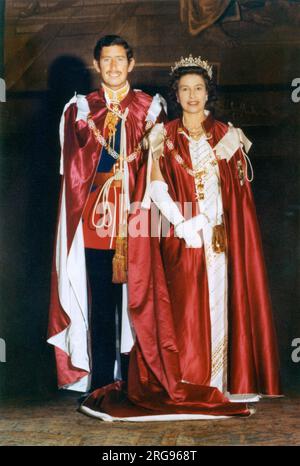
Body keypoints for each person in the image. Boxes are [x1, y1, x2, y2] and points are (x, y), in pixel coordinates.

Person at [79, 55, 282, 421]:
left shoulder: (226, 134)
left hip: (219, 238)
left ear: (208, 93)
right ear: (176, 94)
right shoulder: (163, 135)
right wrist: (184, 225)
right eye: (185, 89)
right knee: (186, 312)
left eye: (199, 89)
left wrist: (215, 223)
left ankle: (219, 381)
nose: (192, 96)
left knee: (221, 304)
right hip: (182, 237)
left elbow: (236, 195)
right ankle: (188, 378)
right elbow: (155, 186)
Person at [47, 35, 166, 394]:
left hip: (139, 214)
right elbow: (72, 169)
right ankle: (101, 383)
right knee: (101, 300)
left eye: (120, 60)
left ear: (131, 64)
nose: (113, 67)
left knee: (141, 298)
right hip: (97, 216)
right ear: (96, 65)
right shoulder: (81, 109)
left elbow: (161, 169)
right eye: (106, 60)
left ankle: (138, 382)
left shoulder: (151, 107)